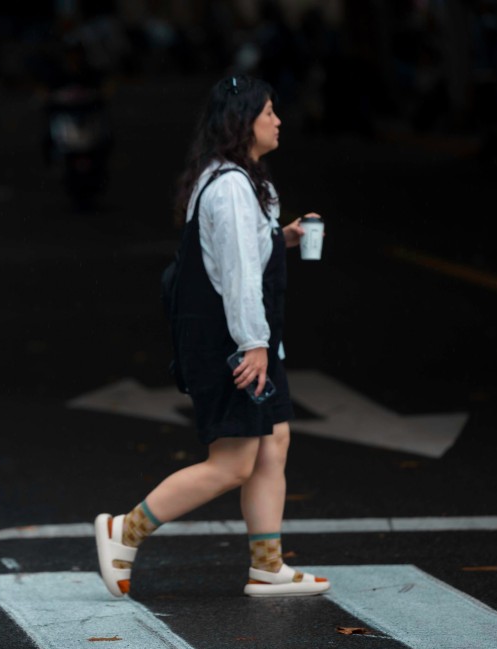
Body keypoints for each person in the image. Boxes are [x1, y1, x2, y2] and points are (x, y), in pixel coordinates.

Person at [94, 75, 330, 599]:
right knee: (234, 462)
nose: (277, 120)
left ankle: (267, 566)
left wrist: (283, 237)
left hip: (242, 338)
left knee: (274, 442)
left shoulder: (237, 180)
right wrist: (255, 344)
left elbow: (241, 255)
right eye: (269, 111)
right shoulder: (228, 187)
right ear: (245, 121)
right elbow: (238, 273)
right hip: (232, 343)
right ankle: (124, 530)